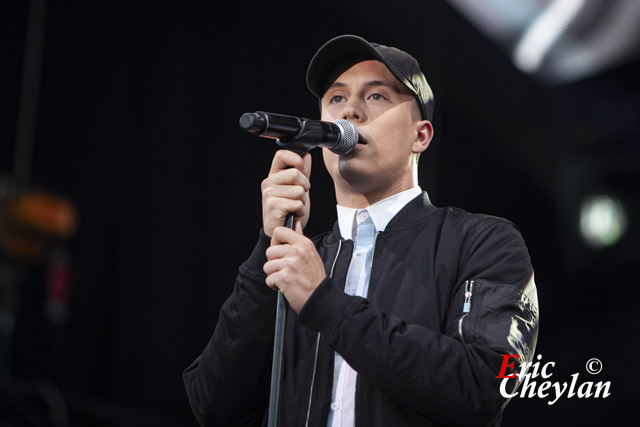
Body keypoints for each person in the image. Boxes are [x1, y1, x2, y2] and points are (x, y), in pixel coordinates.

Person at [183, 34, 539, 427]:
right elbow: (213, 407)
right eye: (336, 99)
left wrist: (325, 304)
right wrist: (267, 245)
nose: (349, 110)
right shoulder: (300, 261)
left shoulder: (482, 242)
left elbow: (487, 382)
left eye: (376, 97)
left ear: (420, 136)